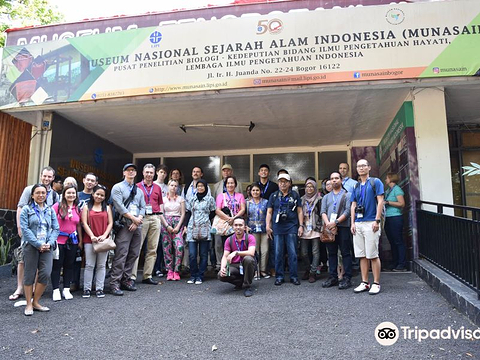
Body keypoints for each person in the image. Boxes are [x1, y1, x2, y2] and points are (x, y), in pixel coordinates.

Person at [11, 166, 58, 302]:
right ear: (41, 175)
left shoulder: (54, 195)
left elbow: (55, 221)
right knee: (23, 261)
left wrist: (49, 242)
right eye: (45, 176)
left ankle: (33, 293)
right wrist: (20, 228)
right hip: (29, 234)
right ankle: (20, 288)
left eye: (50, 176)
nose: (47, 178)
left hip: (46, 238)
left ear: (53, 178)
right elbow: (21, 208)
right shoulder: (29, 190)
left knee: (42, 267)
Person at [20, 184, 59, 316]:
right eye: (38, 193)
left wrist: (50, 242)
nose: (41, 195)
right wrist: (37, 244)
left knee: (45, 273)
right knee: (29, 275)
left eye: (43, 193)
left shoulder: (50, 210)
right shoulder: (26, 209)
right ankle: (28, 304)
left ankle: (36, 301)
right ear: (32, 195)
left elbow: (56, 228)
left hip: (47, 246)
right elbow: (24, 229)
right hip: (31, 246)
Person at [110, 163, 146, 296]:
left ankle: (126, 279)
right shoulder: (117, 187)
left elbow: (143, 207)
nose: (131, 172)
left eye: (133, 170)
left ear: (136, 173)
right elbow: (119, 206)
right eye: (128, 170)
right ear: (123, 172)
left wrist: (138, 220)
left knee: (134, 253)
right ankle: (114, 282)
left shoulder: (139, 191)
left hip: (137, 225)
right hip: (124, 224)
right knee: (121, 253)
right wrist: (132, 219)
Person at [350, 159, 384, 295]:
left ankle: (376, 283)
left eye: (364, 165)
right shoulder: (356, 186)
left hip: (371, 222)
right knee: (362, 255)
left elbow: (380, 201)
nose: (361, 168)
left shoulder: (375, 182)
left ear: (369, 167)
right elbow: (353, 205)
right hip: (358, 223)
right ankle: (364, 282)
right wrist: (352, 223)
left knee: (373, 254)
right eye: (359, 166)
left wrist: (377, 220)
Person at [266, 173, 304, 286]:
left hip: (291, 226)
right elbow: (269, 212)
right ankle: (279, 276)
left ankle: (294, 276)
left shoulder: (295, 195)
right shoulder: (273, 196)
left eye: (285, 181)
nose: (283, 183)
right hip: (277, 227)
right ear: (278, 183)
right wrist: (268, 226)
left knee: (292, 252)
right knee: (278, 252)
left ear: (289, 183)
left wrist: (301, 226)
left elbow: (300, 211)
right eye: (280, 181)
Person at [131, 164, 163, 285]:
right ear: (143, 173)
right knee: (137, 248)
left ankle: (147, 275)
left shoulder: (157, 188)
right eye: (147, 172)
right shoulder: (137, 187)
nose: (149, 174)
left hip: (155, 217)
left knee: (152, 249)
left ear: (154, 174)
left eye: (151, 172)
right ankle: (132, 276)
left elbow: (159, 204)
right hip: (141, 218)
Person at [321, 172, 353, 289]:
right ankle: (332, 277)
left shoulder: (347, 195)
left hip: (343, 227)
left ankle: (347, 277)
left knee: (345, 252)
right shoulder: (326, 197)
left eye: (336, 178)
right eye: (332, 178)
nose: (334, 180)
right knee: (332, 253)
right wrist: (329, 224)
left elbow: (348, 211)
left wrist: (336, 222)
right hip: (329, 228)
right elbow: (323, 211)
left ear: (341, 180)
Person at [51, 184, 83, 301]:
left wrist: (80, 241)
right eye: (68, 193)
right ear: (64, 194)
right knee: (57, 265)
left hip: (72, 241)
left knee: (69, 265)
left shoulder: (77, 208)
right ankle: (55, 290)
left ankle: (66, 289)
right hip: (58, 241)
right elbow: (50, 222)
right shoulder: (57, 206)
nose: (71, 195)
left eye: (73, 193)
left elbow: (78, 225)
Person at [81, 185, 113, 298]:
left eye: (102, 195)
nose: (99, 196)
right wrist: (92, 235)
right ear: (93, 194)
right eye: (97, 194)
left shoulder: (107, 208)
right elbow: (84, 223)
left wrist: (104, 235)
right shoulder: (86, 207)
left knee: (101, 265)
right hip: (89, 240)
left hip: (103, 240)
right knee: (89, 265)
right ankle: (87, 289)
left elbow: (110, 223)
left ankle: (99, 288)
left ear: (105, 197)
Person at [185, 179, 216, 285]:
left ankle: (200, 276)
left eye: (202, 186)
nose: (200, 188)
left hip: (205, 229)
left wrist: (205, 220)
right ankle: (193, 275)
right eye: (198, 186)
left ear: (206, 187)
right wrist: (185, 226)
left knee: (203, 254)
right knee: (192, 254)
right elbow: (188, 212)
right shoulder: (192, 199)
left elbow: (213, 212)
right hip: (192, 228)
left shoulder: (210, 199)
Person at [218, 217, 256, 297]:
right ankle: (240, 283)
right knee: (221, 275)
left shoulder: (250, 237)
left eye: (240, 225)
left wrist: (236, 253)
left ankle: (247, 286)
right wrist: (222, 268)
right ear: (233, 227)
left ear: (244, 227)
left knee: (248, 259)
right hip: (234, 265)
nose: (238, 227)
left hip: (247, 265)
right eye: (235, 225)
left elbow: (251, 252)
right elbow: (225, 256)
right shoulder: (229, 240)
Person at [214, 176, 246, 270]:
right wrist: (228, 218)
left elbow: (243, 209)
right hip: (224, 224)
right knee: (223, 245)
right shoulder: (221, 196)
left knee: (236, 244)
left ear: (235, 185)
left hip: (237, 224)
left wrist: (234, 218)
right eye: (228, 183)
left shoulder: (240, 196)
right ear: (225, 185)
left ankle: (235, 265)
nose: (230, 185)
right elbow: (217, 210)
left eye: (232, 183)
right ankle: (222, 266)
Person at [160, 179, 186, 281]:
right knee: (167, 248)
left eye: (175, 186)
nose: (173, 187)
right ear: (168, 186)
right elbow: (160, 213)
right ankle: (169, 270)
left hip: (177, 222)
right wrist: (167, 226)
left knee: (179, 246)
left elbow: (183, 213)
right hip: (166, 222)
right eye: (171, 185)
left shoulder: (181, 199)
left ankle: (177, 270)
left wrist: (178, 226)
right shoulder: (163, 199)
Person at [257, 164, 278, 277]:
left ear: (269, 173)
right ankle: (258, 269)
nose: (264, 172)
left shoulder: (274, 186)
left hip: (272, 218)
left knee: (272, 245)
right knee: (259, 247)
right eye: (262, 170)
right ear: (259, 173)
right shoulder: (256, 186)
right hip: (257, 220)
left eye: (266, 170)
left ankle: (272, 267)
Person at [299, 179, 322, 283]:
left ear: (315, 188)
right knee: (303, 252)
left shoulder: (319, 199)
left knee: (315, 251)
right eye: (307, 187)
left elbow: (322, 214)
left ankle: (313, 272)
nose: (309, 189)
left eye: (311, 187)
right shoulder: (301, 199)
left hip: (315, 228)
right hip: (304, 228)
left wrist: (321, 227)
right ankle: (308, 269)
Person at [383, 172, 406, 272]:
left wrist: (388, 202)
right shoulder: (388, 190)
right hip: (388, 217)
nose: (385, 180)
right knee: (392, 241)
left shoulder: (397, 189)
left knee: (398, 240)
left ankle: (402, 264)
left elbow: (402, 204)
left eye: (387, 178)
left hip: (396, 217)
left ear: (391, 178)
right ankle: (395, 262)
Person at [246, 183, 269, 278]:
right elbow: (244, 216)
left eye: (257, 190)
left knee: (265, 250)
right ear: (250, 192)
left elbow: (269, 215)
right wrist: (246, 226)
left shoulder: (266, 202)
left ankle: (263, 270)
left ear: (261, 191)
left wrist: (269, 227)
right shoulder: (246, 202)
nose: (255, 192)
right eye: (253, 190)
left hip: (264, 229)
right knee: (255, 251)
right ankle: (255, 271)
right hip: (252, 229)